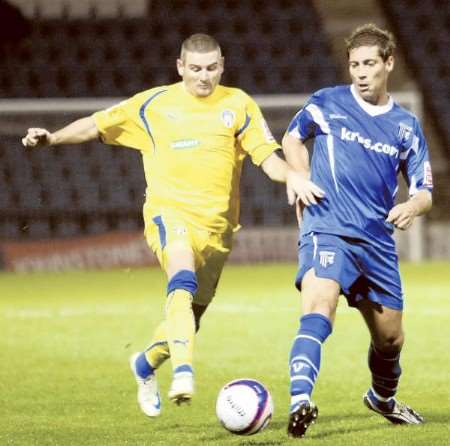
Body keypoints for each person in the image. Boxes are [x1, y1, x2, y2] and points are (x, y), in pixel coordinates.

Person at [22, 33, 308, 418]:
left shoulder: (238, 105)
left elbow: (266, 156)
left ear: (222, 65)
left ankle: (144, 364)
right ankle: (184, 373)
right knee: (182, 281)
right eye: (195, 69)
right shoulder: (153, 104)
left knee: (192, 315)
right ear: (180, 67)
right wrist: (52, 138)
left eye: (210, 68)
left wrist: (292, 176)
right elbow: (96, 124)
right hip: (168, 214)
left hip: (219, 230)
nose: (203, 77)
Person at [282, 23, 433, 438]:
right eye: (354, 64)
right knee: (317, 309)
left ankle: (382, 399)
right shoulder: (326, 103)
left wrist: (410, 206)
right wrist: (298, 177)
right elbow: (292, 138)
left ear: (389, 63)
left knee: (390, 340)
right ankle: (300, 401)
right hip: (326, 227)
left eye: (369, 63)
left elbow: (425, 192)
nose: (361, 72)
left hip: (377, 241)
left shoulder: (405, 126)